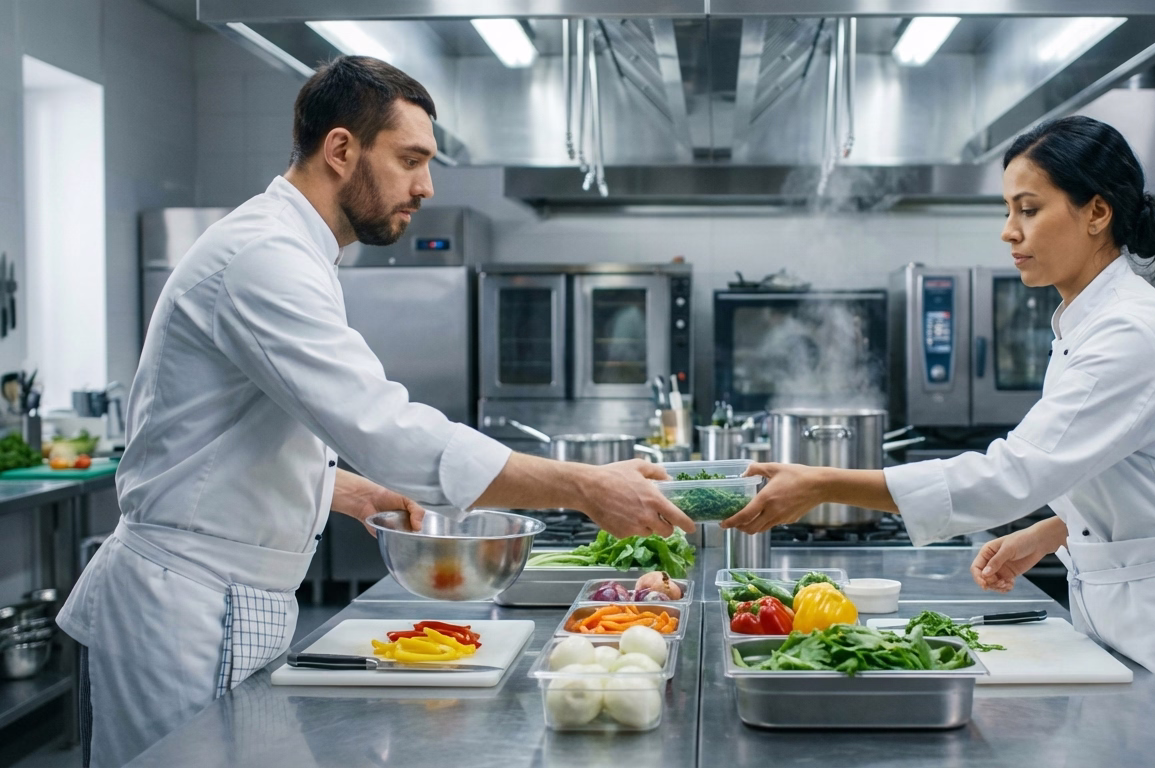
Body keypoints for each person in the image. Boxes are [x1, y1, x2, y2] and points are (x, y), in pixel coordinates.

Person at [57, 56, 694, 768]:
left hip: (227, 600)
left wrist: (354, 492)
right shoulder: (261, 255)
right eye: (411, 160)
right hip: (183, 613)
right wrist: (586, 485)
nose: (425, 186)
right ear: (340, 150)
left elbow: (231, 437)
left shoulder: (300, 252)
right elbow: (384, 426)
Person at [722, 115, 1155, 765]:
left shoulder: (1128, 334)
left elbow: (1013, 473)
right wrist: (1055, 530)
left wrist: (826, 483)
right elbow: (1127, 472)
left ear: (1096, 212)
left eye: (1028, 208)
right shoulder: (1088, 319)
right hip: (1135, 619)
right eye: (1007, 209)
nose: (1009, 231)